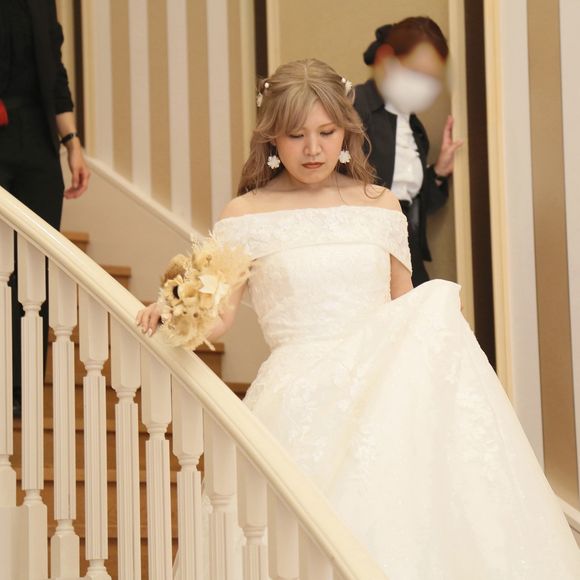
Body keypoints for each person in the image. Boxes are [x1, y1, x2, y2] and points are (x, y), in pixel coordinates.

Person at [137, 60, 580, 579]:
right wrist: (174, 310)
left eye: (326, 133)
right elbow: (220, 316)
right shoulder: (245, 214)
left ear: (346, 132)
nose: (313, 149)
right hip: (296, 399)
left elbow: (404, 307)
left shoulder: (380, 205)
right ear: (272, 138)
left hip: (381, 395)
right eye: (296, 135)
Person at [0, 0, 90, 417]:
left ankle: (23, 385)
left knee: (35, 267)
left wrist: (72, 143)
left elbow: (54, 74)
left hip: (36, 141)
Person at [355, 18, 462, 286]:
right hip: (365, 249)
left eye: (431, 77)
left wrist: (438, 172)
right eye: (416, 72)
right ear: (387, 60)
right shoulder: (354, 107)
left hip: (406, 247)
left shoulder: (414, 127)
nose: (423, 85)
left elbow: (415, 203)